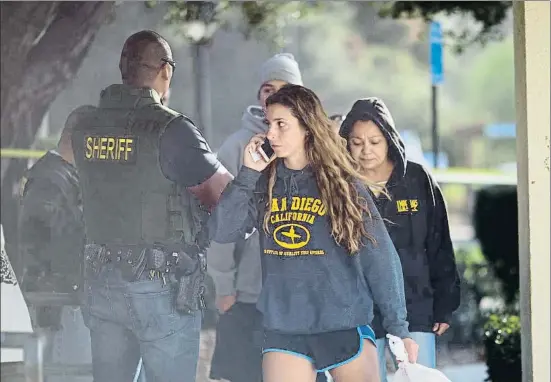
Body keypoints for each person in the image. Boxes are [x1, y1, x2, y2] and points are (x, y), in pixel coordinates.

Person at [209, 84, 418, 382]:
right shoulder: (263, 183)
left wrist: (399, 328)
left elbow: (380, 258)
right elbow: (223, 230)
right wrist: (248, 174)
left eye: (281, 124)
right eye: (269, 124)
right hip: (285, 330)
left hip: (343, 325)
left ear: (307, 127)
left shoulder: (341, 185)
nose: (271, 134)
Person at [70, 30, 233, 382]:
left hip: (101, 281)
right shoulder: (171, 129)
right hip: (159, 288)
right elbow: (224, 195)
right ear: (165, 71)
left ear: (122, 68)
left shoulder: (84, 125)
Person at [339, 98, 461, 381]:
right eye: (357, 142)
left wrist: (445, 303)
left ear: (390, 140)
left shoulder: (417, 179)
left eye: (375, 141)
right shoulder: (341, 185)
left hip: (414, 303)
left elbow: (439, 242)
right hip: (360, 310)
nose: (366, 150)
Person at [208, 53, 304, 382]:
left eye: (284, 88)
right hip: (249, 295)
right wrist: (224, 286)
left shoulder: (315, 148)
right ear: (258, 95)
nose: (274, 96)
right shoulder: (235, 148)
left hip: (302, 298)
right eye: (267, 88)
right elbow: (219, 225)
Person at [17, 108, 94, 381]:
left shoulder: (61, 178)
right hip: (61, 306)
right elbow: (46, 244)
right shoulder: (51, 181)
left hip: (65, 301)